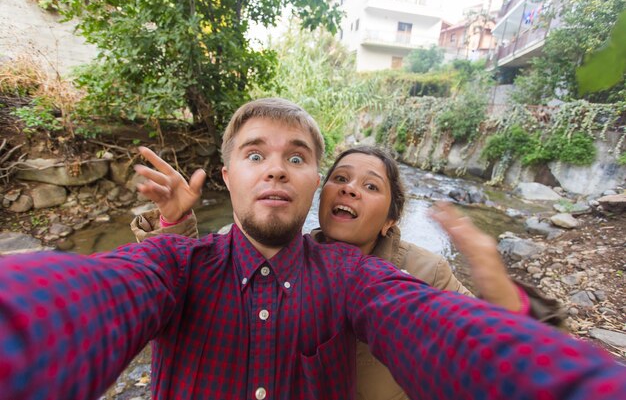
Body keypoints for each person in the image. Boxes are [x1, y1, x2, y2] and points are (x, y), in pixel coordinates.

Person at [0, 98, 625, 400]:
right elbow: (89, 296)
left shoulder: (361, 276)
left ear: (310, 181)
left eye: (296, 158)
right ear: (227, 179)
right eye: (255, 155)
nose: (276, 170)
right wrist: (171, 231)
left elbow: (452, 336)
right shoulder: (178, 263)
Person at [132, 145, 563, 400]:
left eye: (371, 186)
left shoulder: (423, 273)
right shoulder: (282, 254)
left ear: (391, 219)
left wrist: (508, 307)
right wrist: (175, 225)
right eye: (340, 178)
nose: (349, 189)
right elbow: (203, 276)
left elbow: (488, 356)